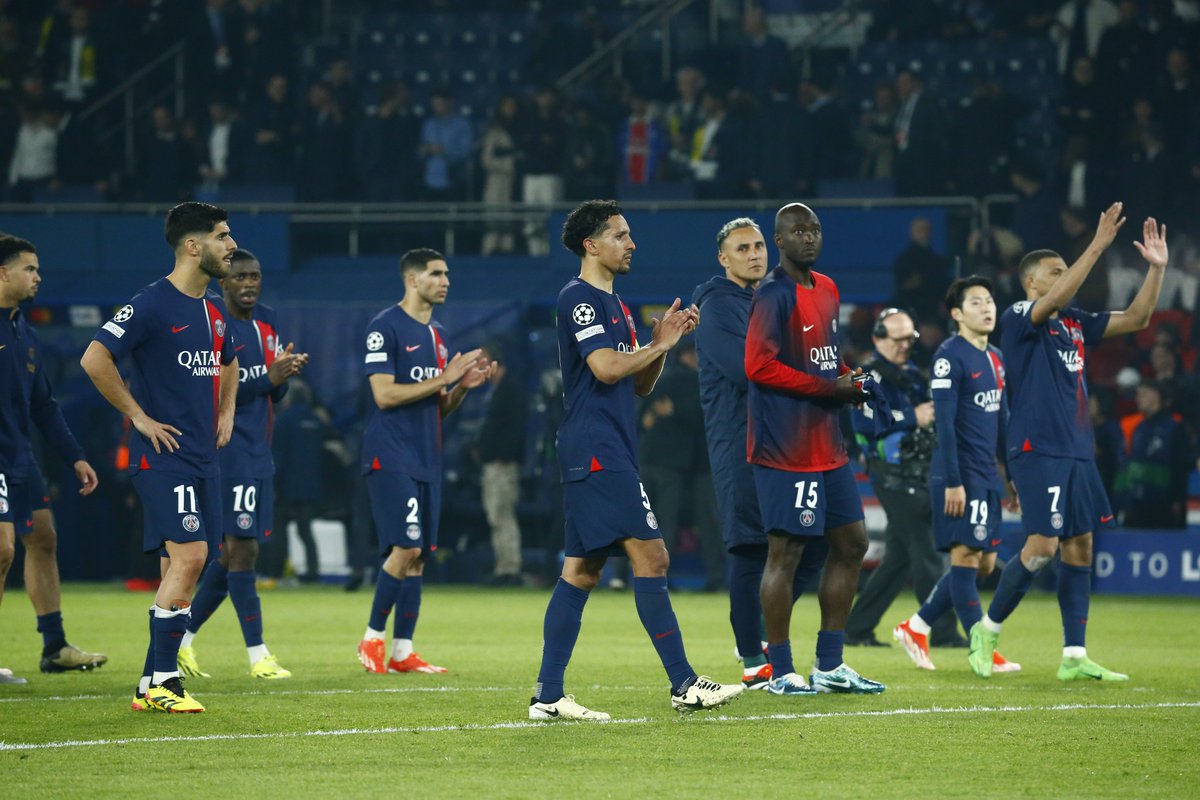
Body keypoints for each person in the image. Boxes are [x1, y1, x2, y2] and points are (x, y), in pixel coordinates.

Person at [529, 200, 743, 720]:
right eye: (621, 235)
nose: (631, 244)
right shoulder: (580, 300)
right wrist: (659, 343)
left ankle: (549, 695)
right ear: (592, 245)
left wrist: (659, 344)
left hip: (609, 443)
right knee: (653, 558)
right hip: (596, 445)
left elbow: (640, 383)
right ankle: (685, 684)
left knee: (581, 570)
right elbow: (604, 369)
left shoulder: (617, 306)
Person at [969, 204, 1168, 681]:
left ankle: (1074, 655)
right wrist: (1096, 245)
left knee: (1081, 546)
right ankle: (987, 629)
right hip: (1039, 448)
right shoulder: (1018, 317)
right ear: (1032, 283)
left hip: (1078, 449)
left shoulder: (1073, 322)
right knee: (1043, 546)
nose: (1067, 278)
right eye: (1056, 273)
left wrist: (1156, 269)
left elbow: (1139, 318)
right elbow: (1062, 291)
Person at [81, 201, 240, 713]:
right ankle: (165, 685)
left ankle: (150, 680)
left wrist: (226, 412)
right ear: (193, 245)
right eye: (222, 236)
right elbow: (94, 357)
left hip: (202, 458)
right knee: (191, 557)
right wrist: (138, 417)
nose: (231, 245)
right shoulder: (151, 303)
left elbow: (230, 362)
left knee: (193, 563)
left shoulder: (214, 311)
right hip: (161, 456)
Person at [745, 202, 884, 696]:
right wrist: (832, 390)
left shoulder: (826, 288)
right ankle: (780, 670)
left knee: (852, 544)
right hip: (786, 447)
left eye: (815, 229)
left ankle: (829, 663)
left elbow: (823, 357)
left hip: (829, 443)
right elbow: (759, 367)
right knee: (785, 554)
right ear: (778, 242)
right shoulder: (773, 295)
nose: (808, 237)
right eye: (797, 231)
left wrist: (850, 377)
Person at [693, 216, 828, 691]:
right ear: (723, 258)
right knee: (752, 548)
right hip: (741, 442)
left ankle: (763, 632)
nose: (754, 254)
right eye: (742, 248)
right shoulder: (718, 307)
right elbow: (745, 369)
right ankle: (753, 660)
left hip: (786, 440)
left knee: (815, 541)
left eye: (758, 246)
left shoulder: (771, 297)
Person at [356, 248, 493, 675]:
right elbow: (384, 395)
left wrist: (462, 387)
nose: (445, 280)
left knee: (418, 558)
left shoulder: (436, 335)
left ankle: (402, 651)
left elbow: (438, 406)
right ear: (412, 280)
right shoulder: (385, 327)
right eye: (436, 273)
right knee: (406, 546)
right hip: (390, 453)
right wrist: (444, 378)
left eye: (447, 273)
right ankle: (371, 639)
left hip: (426, 455)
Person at [176, 249, 308, 680]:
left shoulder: (267, 321)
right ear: (223, 283)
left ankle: (181, 640)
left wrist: (282, 376)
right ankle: (258, 656)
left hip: (258, 450)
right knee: (242, 550)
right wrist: (268, 377)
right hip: (226, 448)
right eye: (241, 277)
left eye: (255, 276)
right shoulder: (212, 321)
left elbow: (273, 392)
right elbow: (213, 388)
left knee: (232, 553)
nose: (250, 283)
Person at [892, 276, 1021, 673]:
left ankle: (916, 626)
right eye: (976, 302)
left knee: (983, 564)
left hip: (987, 476)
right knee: (966, 557)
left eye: (990, 301)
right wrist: (952, 481)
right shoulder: (949, 356)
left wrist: (1011, 474)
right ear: (956, 314)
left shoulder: (996, 357)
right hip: (958, 475)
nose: (987, 308)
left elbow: (1002, 419)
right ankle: (981, 647)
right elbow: (944, 426)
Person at [0, 233, 104, 684]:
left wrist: (74, 456)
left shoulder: (24, 332)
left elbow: (43, 405)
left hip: (19, 456)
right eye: (29, 268)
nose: (38, 276)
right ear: (3, 272)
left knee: (43, 538)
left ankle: (54, 646)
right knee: (2, 548)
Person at [845, 308, 961, 649]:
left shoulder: (910, 372)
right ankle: (941, 631)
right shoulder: (864, 375)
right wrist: (914, 415)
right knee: (928, 551)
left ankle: (856, 628)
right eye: (896, 339)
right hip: (893, 475)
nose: (904, 345)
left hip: (918, 471)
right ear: (877, 338)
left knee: (898, 559)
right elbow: (864, 424)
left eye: (909, 338)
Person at [476, 343, 528, 585]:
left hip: (502, 465)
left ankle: (510, 568)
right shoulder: (500, 389)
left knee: (502, 515)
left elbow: (515, 428)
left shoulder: (511, 389)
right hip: (494, 463)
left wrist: (502, 455)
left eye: (483, 361)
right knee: (496, 516)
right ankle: (503, 566)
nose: (479, 366)